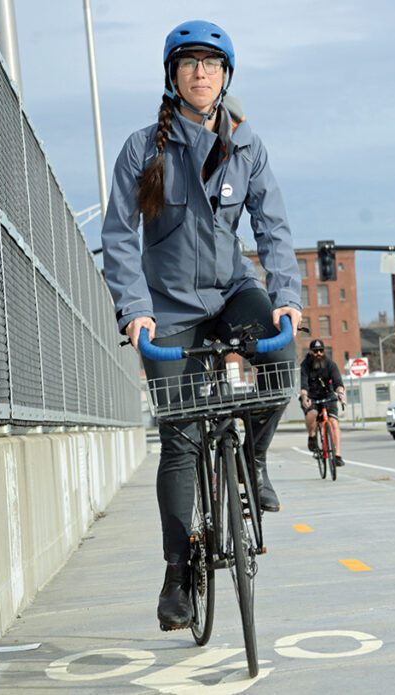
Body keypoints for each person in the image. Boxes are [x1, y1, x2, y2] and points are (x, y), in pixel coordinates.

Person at [101, 19, 301, 632]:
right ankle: (177, 569)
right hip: (170, 308)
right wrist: (135, 313)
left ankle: (257, 460)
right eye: (189, 62)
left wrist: (286, 297)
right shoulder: (144, 149)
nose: (200, 72)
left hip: (231, 291)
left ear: (225, 75)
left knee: (281, 359)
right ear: (173, 75)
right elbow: (118, 238)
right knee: (180, 439)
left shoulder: (248, 146)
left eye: (211, 64)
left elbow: (274, 229)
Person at [299, 339, 345, 466]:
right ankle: (312, 436)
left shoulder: (330, 363)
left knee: (334, 422)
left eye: (321, 350)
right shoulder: (305, 366)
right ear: (310, 352)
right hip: (311, 396)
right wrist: (304, 397)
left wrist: (340, 393)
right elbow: (303, 385)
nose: (318, 353)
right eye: (315, 351)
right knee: (312, 413)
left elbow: (338, 382)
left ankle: (337, 455)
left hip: (328, 395)